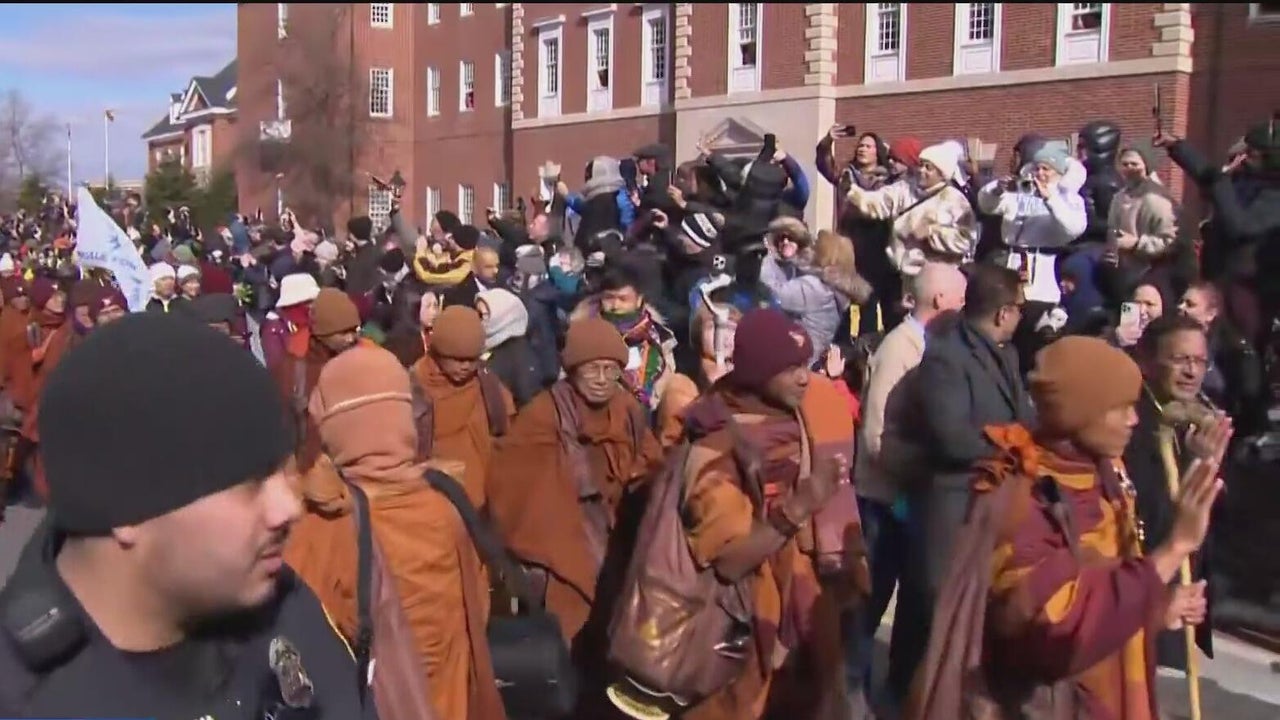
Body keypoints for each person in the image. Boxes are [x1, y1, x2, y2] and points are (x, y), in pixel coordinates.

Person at [0, 313, 371, 718]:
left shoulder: (285, 607)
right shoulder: (28, 701)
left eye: (282, 472)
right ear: (129, 505)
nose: (289, 508)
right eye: (248, 482)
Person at [907, 335, 1226, 720]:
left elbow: (1109, 590)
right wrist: (1174, 549)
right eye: (1122, 408)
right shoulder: (1025, 496)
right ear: (1082, 412)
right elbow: (1056, 634)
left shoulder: (1104, 474)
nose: (1134, 419)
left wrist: (1157, 607)